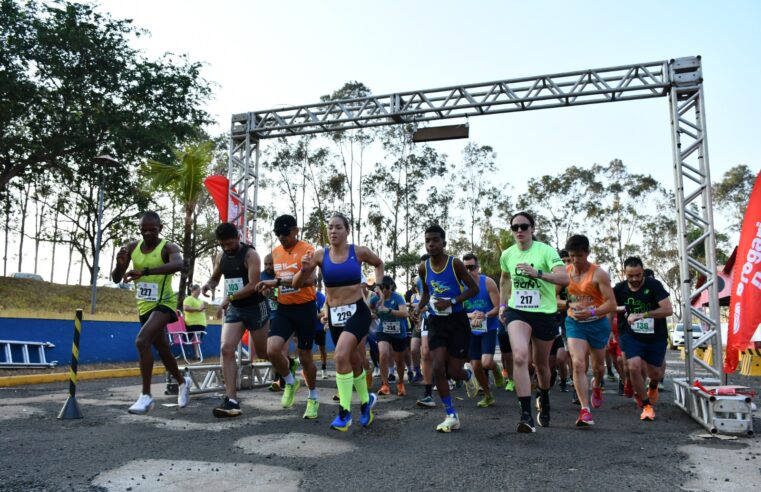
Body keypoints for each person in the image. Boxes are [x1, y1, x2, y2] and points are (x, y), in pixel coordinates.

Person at [293, 213, 384, 431]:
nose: (333, 231)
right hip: (334, 315)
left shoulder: (358, 252)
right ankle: (366, 402)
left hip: (357, 312)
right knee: (352, 360)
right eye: (330, 228)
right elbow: (297, 283)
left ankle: (344, 413)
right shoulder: (319, 255)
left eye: (338, 228)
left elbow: (379, 264)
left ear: (347, 230)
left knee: (341, 355)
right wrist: (304, 267)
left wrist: (378, 286)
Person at [111, 211, 191, 414]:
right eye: (143, 230)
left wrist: (145, 271)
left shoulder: (168, 248)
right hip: (144, 306)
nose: (147, 234)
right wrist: (120, 267)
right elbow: (116, 278)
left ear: (160, 228)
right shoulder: (132, 248)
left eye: (152, 230)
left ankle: (146, 396)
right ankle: (183, 382)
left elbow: (179, 264)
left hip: (164, 303)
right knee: (163, 349)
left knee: (141, 341)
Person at [499, 212, 569, 432]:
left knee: (542, 365)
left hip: (545, 313)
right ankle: (525, 415)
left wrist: (537, 273)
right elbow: (504, 279)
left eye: (524, 226)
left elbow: (564, 278)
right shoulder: (508, 254)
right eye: (515, 227)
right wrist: (502, 305)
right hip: (517, 311)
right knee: (520, 357)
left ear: (532, 229)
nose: (519, 230)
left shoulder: (546, 251)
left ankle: (545, 396)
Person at [412, 225, 480, 432]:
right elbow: (426, 292)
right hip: (436, 322)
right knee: (438, 367)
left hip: (457, 321)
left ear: (444, 243)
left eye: (435, 240)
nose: (430, 244)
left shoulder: (455, 264)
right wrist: (419, 307)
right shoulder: (424, 267)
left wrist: (451, 301)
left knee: (454, 371)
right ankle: (451, 414)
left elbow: (474, 289)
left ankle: (466, 375)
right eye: (427, 241)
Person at [255, 214, 320, 420]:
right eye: (278, 233)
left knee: (305, 357)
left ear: (296, 230)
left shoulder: (308, 250)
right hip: (284, 308)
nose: (281, 237)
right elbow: (277, 281)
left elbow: (310, 280)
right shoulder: (275, 253)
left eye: (285, 232)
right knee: (272, 350)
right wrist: (270, 290)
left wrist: (278, 283)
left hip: (305, 308)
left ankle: (313, 397)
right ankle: (291, 382)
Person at [201, 222, 269, 418]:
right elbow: (215, 278)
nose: (227, 248)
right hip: (236, 309)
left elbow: (254, 285)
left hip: (256, 307)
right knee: (226, 349)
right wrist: (208, 285)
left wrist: (228, 298)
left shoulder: (250, 255)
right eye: (223, 245)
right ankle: (231, 400)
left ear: (238, 238)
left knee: (264, 352)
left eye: (230, 244)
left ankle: (286, 364)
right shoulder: (221, 257)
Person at [563, 234, 617, 427]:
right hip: (574, 323)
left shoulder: (599, 274)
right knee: (578, 363)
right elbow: (553, 299)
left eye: (579, 256)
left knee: (598, 367)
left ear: (587, 253)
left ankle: (597, 386)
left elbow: (611, 304)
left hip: (597, 323)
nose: (575, 261)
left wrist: (592, 311)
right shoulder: (565, 273)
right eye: (571, 256)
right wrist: (569, 304)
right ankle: (585, 410)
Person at [613, 257, 673, 421]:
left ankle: (653, 385)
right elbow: (609, 306)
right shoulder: (619, 289)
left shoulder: (654, 285)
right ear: (624, 273)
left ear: (643, 271)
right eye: (630, 276)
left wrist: (643, 314)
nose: (634, 279)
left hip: (656, 335)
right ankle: (646, 406)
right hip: (631, 334)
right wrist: (622, 309)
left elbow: (668, 310)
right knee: (633, 366)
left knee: (655, 372)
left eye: (638, 275)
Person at [462, 253, 503, 408]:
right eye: (465, 268)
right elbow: (457, 310)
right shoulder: (461, 286)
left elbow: (498, 307)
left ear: (478, 268)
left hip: (489, 328)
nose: (469, 271)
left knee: (486, 362)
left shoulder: (488, 283)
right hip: (471, 330)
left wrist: (484, 315)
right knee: (476, 365)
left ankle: (495, 367)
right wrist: (471, 315)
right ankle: (488, 395)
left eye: (472, 267)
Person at [370, 276, 409, 396]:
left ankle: (401, 383)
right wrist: (374, 313)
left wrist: (389, 311)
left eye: (388, 288)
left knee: (399, 360)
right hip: (383, 331)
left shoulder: (397, 297)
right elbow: (370, 307)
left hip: (399, 332)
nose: (386, 291)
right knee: (383, 354)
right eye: (383, 289)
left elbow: (405, 313)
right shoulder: (376, 298)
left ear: (391, 287)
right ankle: (385, 385)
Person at [182, 284, 207, 359]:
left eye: (200, 290)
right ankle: (197, 355)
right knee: (195, 338)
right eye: (198, 290)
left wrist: (202, 310)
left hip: (201, 323)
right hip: (192, 323)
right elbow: (185, 308)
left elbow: (202, 310)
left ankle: (197, 355)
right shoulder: (189, 299)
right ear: (194, 290)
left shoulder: (200, 300)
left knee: (197, 339)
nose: (199, 292)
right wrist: (197, 309)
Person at [314, 282, 329, 379]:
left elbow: (324, 312)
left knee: (322, 349)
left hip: (319, 327)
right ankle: (307, 370)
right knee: (304, 349)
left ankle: (324, 368)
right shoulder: (303, 296)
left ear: (314, 285)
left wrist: (315, 316)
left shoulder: (321, 297)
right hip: (308, 327)